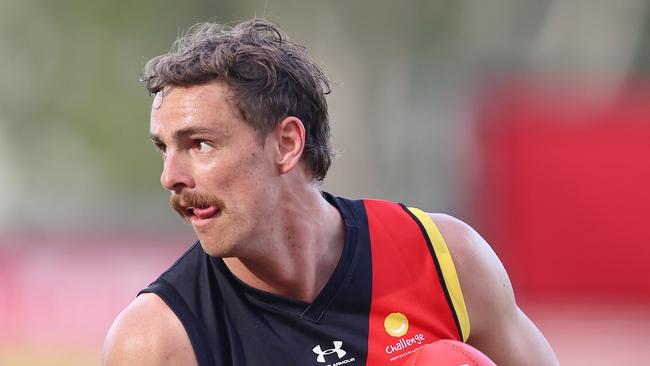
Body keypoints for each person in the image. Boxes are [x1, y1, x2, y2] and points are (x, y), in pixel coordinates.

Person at [102, 18, 559, 366]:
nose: (170, 176)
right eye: (164, 148)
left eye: (199, 144)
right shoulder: (158, 339)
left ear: (286, 144)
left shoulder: (445, 257)